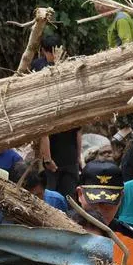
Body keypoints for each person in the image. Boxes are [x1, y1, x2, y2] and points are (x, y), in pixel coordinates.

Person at [71, 160, 133, 265]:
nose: (100, 210)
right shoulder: (62, 233)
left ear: (121, 197)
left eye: (108, 204)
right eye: (95, 204)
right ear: (80, 194)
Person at [31, 33, 81, 201]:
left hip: (69, 154)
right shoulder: (38, 68)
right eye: (51, 52)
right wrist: (47, 158)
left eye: (57, 51)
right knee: (51, 197)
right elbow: (44, 130)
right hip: (52, 155)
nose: (54, 56)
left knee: (70, 198)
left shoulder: (69, 66)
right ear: (44, 51)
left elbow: (78, 131)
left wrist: (78, 158)